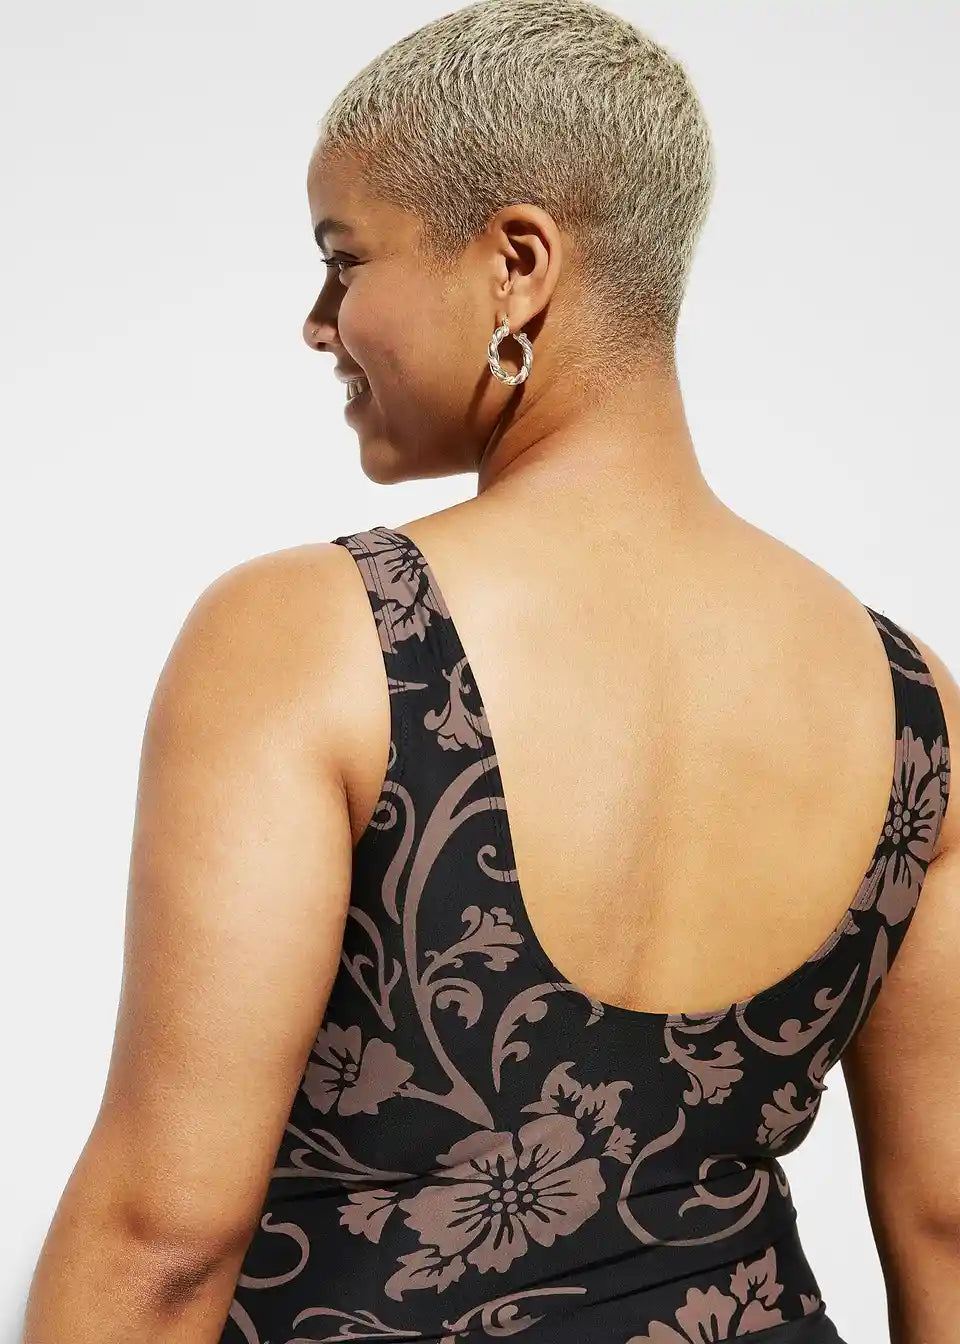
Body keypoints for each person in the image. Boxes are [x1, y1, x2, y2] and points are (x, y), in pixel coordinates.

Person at [20, 2, 957, 1343]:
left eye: (344, 260)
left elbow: (161, 1244)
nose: (319, 323)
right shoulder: (914, 704)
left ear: (517, 265)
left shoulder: (318, 636)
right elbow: (947, 1230)